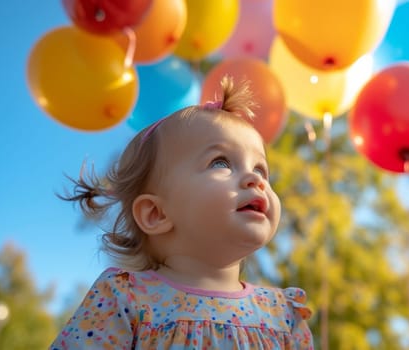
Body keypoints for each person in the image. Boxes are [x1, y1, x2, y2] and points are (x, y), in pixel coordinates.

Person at [51, 76, 314, 349]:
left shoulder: (283, 314)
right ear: (156, 214)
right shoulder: (126, 299)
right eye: (220, 162)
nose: (255, 179)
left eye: (260, 169)